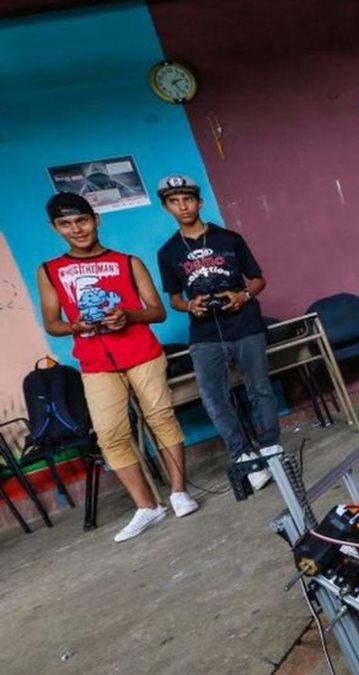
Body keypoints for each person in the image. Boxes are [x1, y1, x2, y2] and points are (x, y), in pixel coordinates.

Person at [36, 192, 199, 542]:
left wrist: (129, 316)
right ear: (55, 228)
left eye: (82, 220)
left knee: (160, 418)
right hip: (95, 362)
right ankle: (147, 507)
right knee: (110, 434)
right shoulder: (50, 270)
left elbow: (157, 310)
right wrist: (73, 327)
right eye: (65, 224)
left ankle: (178, 492)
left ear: (96, 219)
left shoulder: (128, 261)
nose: (76, 229)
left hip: (142, 352)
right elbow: (52, 322)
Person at [155, 175, 279, 492]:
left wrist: (243, 296)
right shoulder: (168, 252)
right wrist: (189, 305)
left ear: (200, 202)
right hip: (204, 332)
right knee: (214, 398)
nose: (183, 206)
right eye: (174, 201)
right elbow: (173, 299)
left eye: (188, 199)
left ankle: (270, 448)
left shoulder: (230, 239)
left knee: (259, 388)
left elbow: (258, 279)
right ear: (166, 207)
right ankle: (244, 457)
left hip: (245, 323)